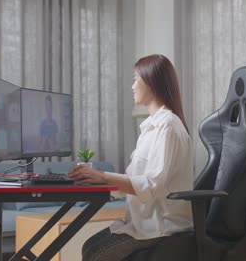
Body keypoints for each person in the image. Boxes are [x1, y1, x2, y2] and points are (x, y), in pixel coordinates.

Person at [68, 54, 194, 261]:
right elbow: (133, 180)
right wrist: (96, 179)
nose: (132, 86)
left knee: (95, 254)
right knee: (89, 247)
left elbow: (152, 184)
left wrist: (103, 176)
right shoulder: (150, 128)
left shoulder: (168, 126)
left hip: (159, 225)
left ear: (152, 82)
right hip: (140, 222)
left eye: (136, 78)